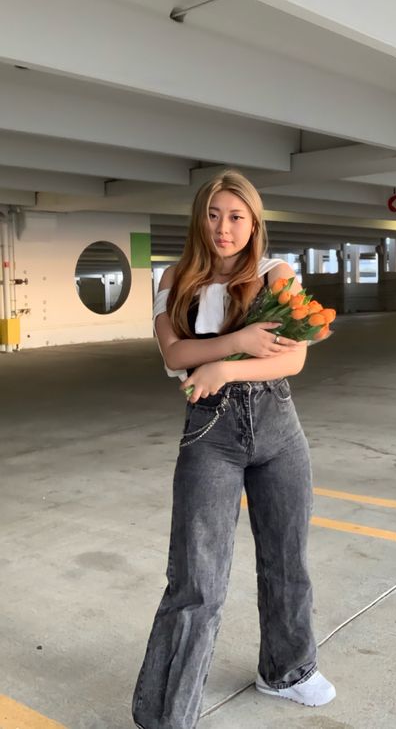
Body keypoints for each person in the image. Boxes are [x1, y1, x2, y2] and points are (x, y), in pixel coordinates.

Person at [132, 170, 335, 729]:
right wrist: (240, 343)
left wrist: (221, 364)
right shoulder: (174, 278)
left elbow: (293, 358)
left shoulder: (276, 274)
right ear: (200, 218)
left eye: (237, 216)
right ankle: (165, 714)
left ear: (254, 222)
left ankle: (287, 670)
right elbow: (175, 356)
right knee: (196, 578)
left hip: (278, 427)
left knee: (287, 561)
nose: (225, 228)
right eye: (215, 215)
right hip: (209, 434)